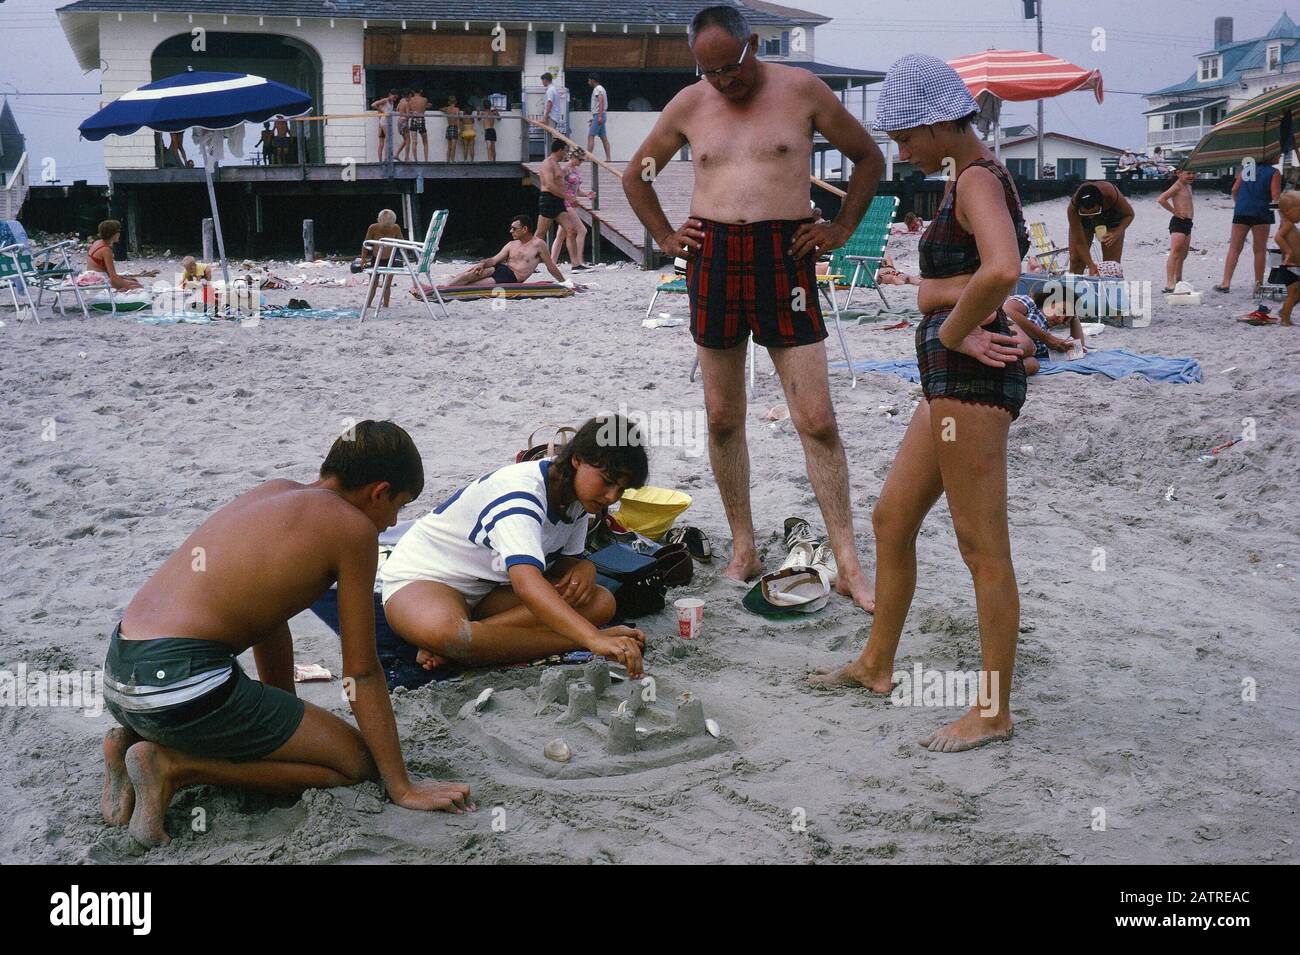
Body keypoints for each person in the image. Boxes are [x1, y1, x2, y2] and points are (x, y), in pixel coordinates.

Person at [621, 4, 884, 612]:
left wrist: (842, 227)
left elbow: (870, 158)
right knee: (720, 417)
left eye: (731, 68)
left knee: (816, 418)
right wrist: (665, 237)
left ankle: (847, 561)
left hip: (784, 252)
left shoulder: (803, 90)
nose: (723, 82)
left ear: (754, 44)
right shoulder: (690, 104)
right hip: (712, 255)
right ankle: (744, 547)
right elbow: (638, 175)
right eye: (709, 71)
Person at [99, 422, 473, 846]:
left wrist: (284, 726)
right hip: (185, 685)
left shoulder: (273, 492)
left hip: (122, 675)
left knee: (290, 735)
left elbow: (268, 617)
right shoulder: (353, 530)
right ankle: (172, 766)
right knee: (357, 766)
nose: (391, 523)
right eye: (399, 506)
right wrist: (402, 786)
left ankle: (127, 740)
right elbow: (362, 672)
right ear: (379, 491)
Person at [810, 54, 1028, 753]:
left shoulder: (974, 179)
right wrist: (945, 307)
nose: (899, 153)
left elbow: (1002, 269)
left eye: (904, 139)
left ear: (937, 124)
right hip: (946, 383)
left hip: (971, 382)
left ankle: (993, 710)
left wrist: (960, 330)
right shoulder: (963, 177)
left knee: (981, 546)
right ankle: (876, 664)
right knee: (891, 516)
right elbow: (950, 285)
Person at [380, 416, 647, 676]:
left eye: (620, 490)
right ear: (577, 459)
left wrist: (584, 566)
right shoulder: (522, 494)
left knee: (600, 600)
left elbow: (561, 564)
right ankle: (477, 641)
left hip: (488, 588)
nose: (611, 496)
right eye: (608, 481)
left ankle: (476, 639)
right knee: (451, 635)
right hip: (425, 581)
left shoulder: (576, 497)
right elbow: (527, 584)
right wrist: (592, 639)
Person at [443, 214, 567, 287]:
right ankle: (443, 287)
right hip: (501, 269)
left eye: (514, 229)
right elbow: (494, 260)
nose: (511, 231)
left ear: (525, 229)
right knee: (470, 274)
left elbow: (551, 267)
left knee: (473, 285)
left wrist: (564, 282)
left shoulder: (539, 245)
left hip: (512, 276)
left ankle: (445, 288)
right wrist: (482, 263)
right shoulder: (511, 244)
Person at [1216, 156, 1281, 294]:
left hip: (1242, 210)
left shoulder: (1247, 169)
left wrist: (1239, 203)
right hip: (1262, 212)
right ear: (1270, 156)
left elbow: (1234, 189)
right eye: (1278, 154)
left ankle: (1226, 282)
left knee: (1234, 247)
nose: (1280, 156)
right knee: (1259, 249)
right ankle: (1258, 284)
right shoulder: (1274, 172)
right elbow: (1275, 195)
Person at [1003, 287, 1085, 375]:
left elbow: (1078, 346)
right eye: (1061, 311)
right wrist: (1046, 338)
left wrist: (1074, 317)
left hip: (1016, 351)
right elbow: (1007, 310)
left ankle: (999, 372)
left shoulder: (1046, 336)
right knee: (1028, 345)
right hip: (1004, 329)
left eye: (1066, 318)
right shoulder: (1030, 303)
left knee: (1033, 364)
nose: (1061, 319)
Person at [1066, 180, 1134, 275]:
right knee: (1076, 260)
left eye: (1094, 213)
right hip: (1083, 222)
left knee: (1110, 265)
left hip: (1111, 218)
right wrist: (1091, 265)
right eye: (1085, 213)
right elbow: (1079, 242)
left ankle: (1109, 287)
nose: (1090, 217)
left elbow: (1129, 214)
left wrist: (1117, 233)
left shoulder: (1111, 194)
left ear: (1102, 204)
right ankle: (1073, 287)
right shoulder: (1073, 208)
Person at [550, 148, 597, 269]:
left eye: (583, 160)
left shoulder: (575, 170)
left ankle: (552, 262)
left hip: (571, 202)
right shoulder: (565, 169)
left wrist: (586, 194)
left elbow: (576, 190)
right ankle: (579, 261)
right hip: (566, 203)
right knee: (582, 230)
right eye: (580, 159)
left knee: (561, 234)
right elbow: (557, 185)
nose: (581, 162)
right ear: (573, 157)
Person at [1157, 168, 1195, 292]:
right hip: (1178, 223)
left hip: (1188, 223)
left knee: (1183, 254)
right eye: (1188, 173)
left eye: (1193, 173)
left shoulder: (1188, 186)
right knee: (1175, 253)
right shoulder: (1177, 186)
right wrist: (1174, 211)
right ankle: (1169, 283)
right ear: (1179, 173)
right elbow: (1161, 199)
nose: (1191, 176)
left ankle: (1178, 279)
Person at [360, 209, 405, 309]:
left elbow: (402, 243)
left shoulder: (395, 228)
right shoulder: (373, 228)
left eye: (388, 227)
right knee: (373, 283)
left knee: (387, 284)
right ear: (378, 221)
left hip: (390, 259)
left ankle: (385, 304)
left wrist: (404, 258)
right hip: (376, 258)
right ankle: (368, 304)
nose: (386, 230)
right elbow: (366, 244)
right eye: (384, 227)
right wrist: (363, 259)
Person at [535, 139, 574, 244]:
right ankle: (529, 256)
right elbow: (549, 185)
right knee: (540, 233)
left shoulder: (557, 164)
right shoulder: (547, 163)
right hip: (548, 199)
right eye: (565, 151)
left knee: (570, 229)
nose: (565, 154)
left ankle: (576, 260)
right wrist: (568, 197)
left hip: (558, 200)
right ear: (560, 150)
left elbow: (560, 178)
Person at [86, 219, 142, 291]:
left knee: (132, 281)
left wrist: (124, 279)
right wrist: (128, 286)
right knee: (137, 286)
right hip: (100, 280)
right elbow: (113, 276)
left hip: (92, 277)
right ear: (114, 234)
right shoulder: (106, 250)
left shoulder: (97, 242)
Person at [1272, 190, 1300, 326]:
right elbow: (1278, 237)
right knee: (1292, 294)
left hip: (1295, 266)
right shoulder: (1288, 224)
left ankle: (1284, 311)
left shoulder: (1289, 224)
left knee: (1296, 294)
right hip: (1290, 266)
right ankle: (1285, 320)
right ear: (1288, 211)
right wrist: (1287, 251)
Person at [587, 74, 611, 161]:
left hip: (599, 115)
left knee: (591, 136)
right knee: (603, 137)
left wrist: (599, 116)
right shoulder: (601, 88)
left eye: (589, 80)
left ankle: (588, 156)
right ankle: (608, 158)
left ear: (593, 80)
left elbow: (601, 101)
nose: (588, 82)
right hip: (600, 115)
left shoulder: (598, 89)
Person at [372, 90, 399, 162]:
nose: (394, 98)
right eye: (394, 96)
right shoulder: (385, 100)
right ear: (390, 94)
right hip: (384, 121)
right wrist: (383, 111)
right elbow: (373, 105)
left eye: (396, 98)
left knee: (384, 142)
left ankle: (384, 159)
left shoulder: (392, 102)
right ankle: (384, 160)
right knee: (386, 141)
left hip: (385, 122)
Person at [404, 87, 430, 162]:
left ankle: (416, 160)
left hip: (414, 119)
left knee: (414, 141)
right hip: (421, 118)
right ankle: (426, 160)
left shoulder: (410, 100)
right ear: (421, 90)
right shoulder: (424, 99)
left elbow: (409, 110)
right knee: (425, 141)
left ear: (412, 91)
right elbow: (424, 109)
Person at [442, 95, 462, 163]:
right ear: (455, 102)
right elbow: (457, 119)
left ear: (448, 102)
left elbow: (441, 109)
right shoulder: (456, 109)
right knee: (453, 146)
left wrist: (445, 108)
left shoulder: (447, 109)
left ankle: (448, 160)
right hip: (454, 127)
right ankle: (452, 160)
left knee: (449, 147)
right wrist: (459, 128)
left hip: (449, 127)